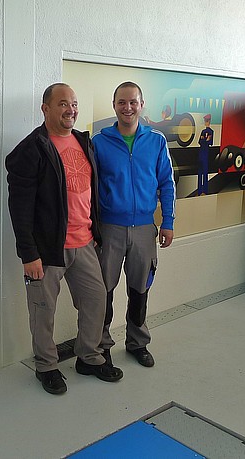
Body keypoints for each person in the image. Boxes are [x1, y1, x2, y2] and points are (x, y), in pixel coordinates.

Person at [5, 83, 123, 395]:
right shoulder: (30, 150)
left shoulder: (84, 142)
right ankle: (46, 366)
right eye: (62, 104)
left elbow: (89, 192)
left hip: (84, 243)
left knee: (96, 300)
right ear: (45, 109)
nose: (70, 109)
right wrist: (28, 253)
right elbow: (19, 208)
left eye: (74, 103)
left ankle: (89, 357)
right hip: (47, 250)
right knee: (43, 311)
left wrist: (94, 233)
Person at [92, 82, 176, 368]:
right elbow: (91, 190)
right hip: (109, 229)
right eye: (122, 102)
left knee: (140, 290)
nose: (127, 107)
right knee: (103, 291)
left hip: (144, 229)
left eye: (132, 102)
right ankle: (101, 345)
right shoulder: (99, 142)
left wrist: (168, 222)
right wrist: (92, 228)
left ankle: (137, 342)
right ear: (114, 105)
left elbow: (167, 184)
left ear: (141, 105)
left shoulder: (156, 141)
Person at [198, 113, 214, 196]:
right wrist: (205, 140)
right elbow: (200, 141)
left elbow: (209, 142)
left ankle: (204, 190)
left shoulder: (210, 132)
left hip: (205, 153)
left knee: (204, 172)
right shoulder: (203, 131)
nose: (206, 122)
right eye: (205, 121)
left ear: (209, 121)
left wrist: (204, 140)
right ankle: (200, 190)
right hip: (201, 153)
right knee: (200, 172)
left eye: (207, 121)